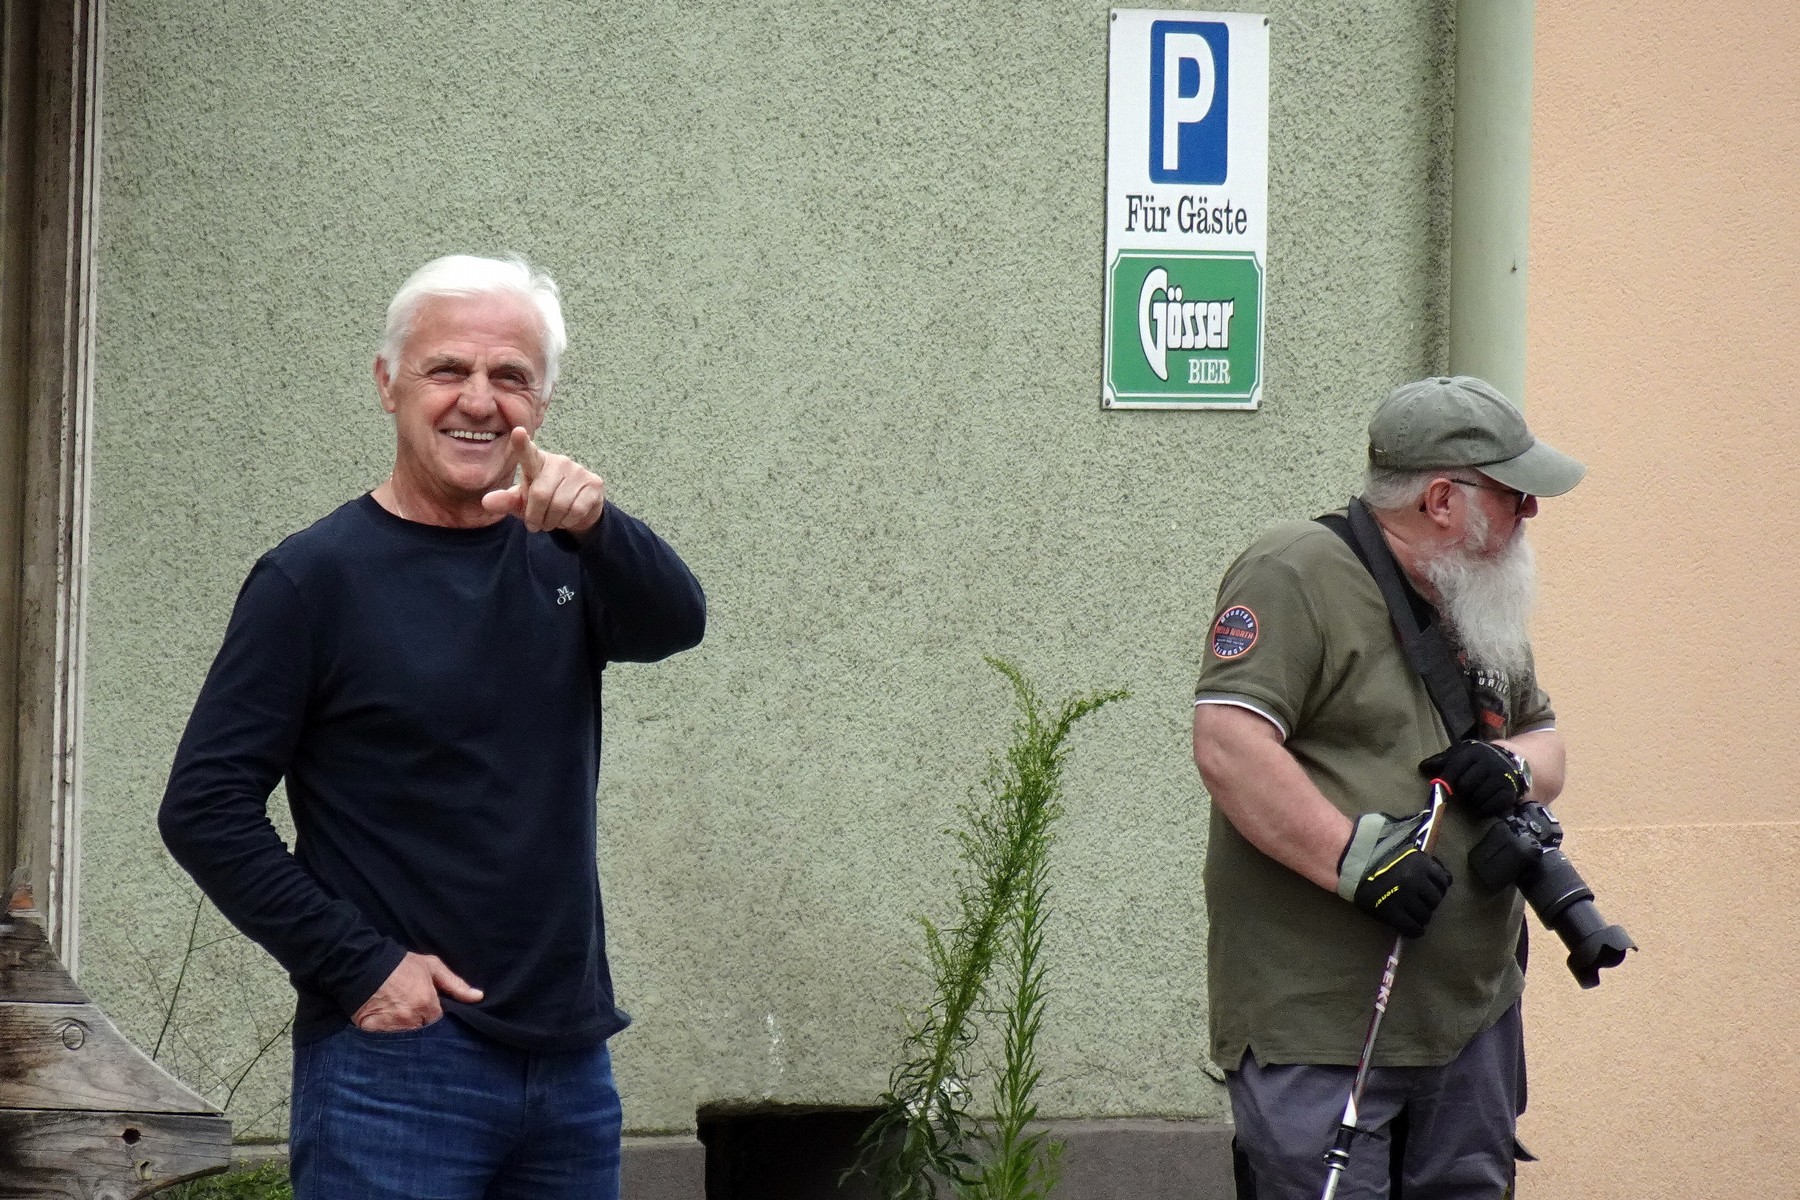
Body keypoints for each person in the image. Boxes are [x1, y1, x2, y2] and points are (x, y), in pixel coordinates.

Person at [159, 254, 705, 1198]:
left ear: (542, 401)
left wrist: (598, 524)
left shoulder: (562, 557)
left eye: (511, 376)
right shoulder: (314, 580)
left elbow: (676, 623)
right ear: (388, 383)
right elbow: (204, 807)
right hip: (398, 1067)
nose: (478, 401)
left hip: (571, 1067)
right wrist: (360, 965)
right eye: (447, 369)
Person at [1191, 376, 1585, 1199]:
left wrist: (1513, 766)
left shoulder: (1479, 594)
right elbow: (1229, 745)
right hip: (1324, 1026)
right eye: (1513, 493)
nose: (1530, 512)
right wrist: (1357, 860)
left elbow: (1546, 744)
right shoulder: (1294, 571)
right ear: (1441, 499)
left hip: (1470, 1019)